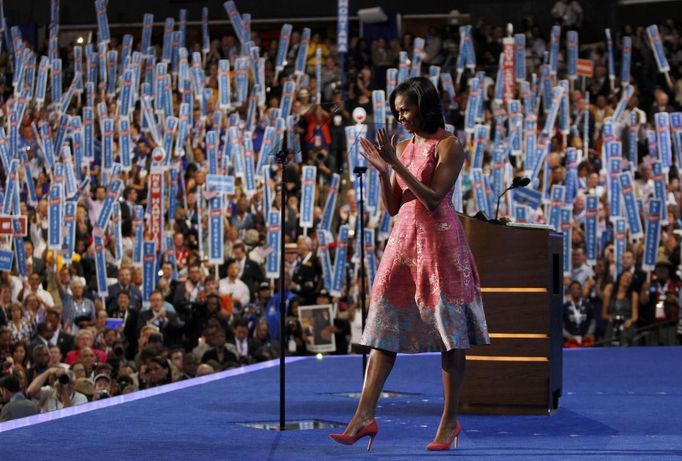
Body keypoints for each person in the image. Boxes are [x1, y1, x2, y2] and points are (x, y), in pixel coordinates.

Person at [330, 77, 490, 451]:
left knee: (451, 337)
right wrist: (384, 172)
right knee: (382, 326)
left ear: (425, 106)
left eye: (406, 109)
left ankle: (449, 423)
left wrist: (397, 166)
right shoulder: (401, 147)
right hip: (403, 243)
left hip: (440, 244)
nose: (401, 117)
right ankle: (364, 415)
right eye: (397, 111)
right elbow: (393, 206)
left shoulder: (449, 146)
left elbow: (434, 199)